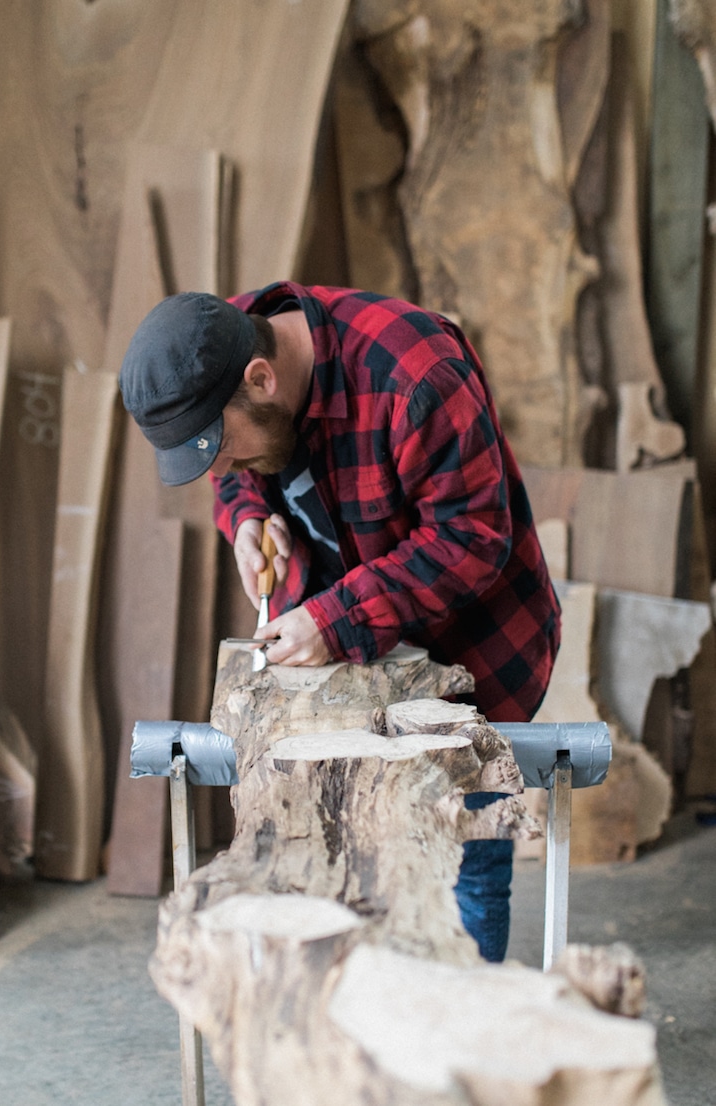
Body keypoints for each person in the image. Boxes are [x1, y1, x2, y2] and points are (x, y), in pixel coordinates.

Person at [119, 283, 561, 961]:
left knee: (462, 875)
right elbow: (231, 471)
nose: (225, 464)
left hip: (473, 650)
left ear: (262, 379)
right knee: (344, 870)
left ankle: (458, 1051)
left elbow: (470, 539)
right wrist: (245, 516)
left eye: (224, 448)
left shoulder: (418, 376)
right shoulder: (224, 345)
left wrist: (335, 617)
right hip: (348, 672)